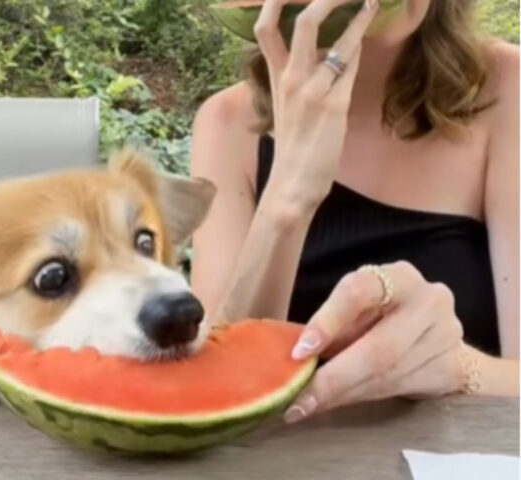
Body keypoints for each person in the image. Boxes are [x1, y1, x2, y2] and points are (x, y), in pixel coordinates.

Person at [190, 0, 519, 423]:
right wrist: (287, 199)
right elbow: (215, 390)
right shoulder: (226, 124)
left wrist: (459, 370)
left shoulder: (509, 90)